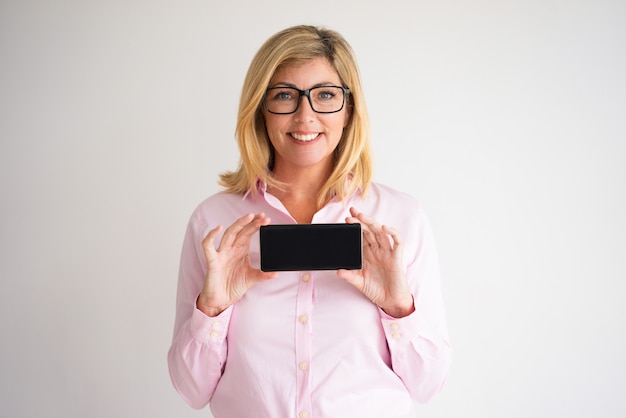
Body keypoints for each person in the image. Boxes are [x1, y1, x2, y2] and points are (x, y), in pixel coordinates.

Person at [168, 25, 451, 418]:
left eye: (325, 96)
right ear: (260, 107)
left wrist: (398, 307)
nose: (306, 116)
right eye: (284, 95)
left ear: (349, 109)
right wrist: (212, 307)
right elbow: (191, 389)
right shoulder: (214, 222)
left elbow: (427, 385)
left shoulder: (400, 218)